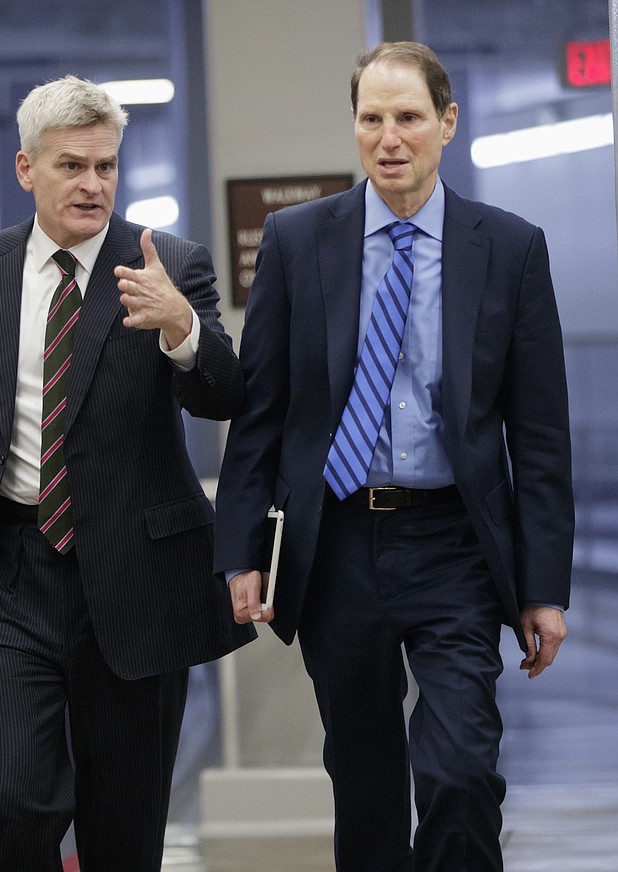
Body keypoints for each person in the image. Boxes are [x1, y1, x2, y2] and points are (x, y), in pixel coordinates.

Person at [213, 42, 573, 872]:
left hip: (453, 546)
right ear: (355, 127)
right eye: (371, 119)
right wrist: (239, 552)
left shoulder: (510, 249)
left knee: (459, 773)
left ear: (447, 123)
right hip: (338, 547)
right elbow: (263, 413)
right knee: (366, 786)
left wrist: (543, 588)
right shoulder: (299, 241)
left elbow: (541, 436)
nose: (389, 137)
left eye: (408, 117)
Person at [0, 74, 255, 871]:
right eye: (71, 167)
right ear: (26, 169)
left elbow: (227, 396)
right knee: (8, 796)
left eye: (107, 167)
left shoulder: (168, 263)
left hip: (137, 580)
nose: (93, 185)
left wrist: (182, 327)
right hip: (9, 577)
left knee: (123, 831)